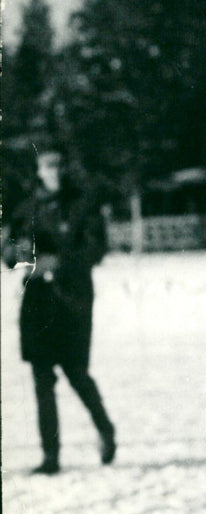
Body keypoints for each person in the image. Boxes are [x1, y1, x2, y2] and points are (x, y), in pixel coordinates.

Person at [7, 154, 116, 475]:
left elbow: (96, 249)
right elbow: (9, 250)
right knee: (42, 377)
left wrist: (59, 263)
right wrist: (16, 252)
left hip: (73, 300)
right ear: (38, 171)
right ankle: (50, 457)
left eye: (57, 165)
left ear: (64, 170)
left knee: (76, 373)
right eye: (46, 166)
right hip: (38, 301)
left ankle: (106, 429)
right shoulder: (27, 208)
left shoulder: (83, 204)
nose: (52, 172)